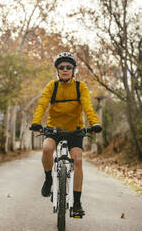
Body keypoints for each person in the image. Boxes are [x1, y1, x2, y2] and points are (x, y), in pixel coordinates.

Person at [31, 52, 102, 214]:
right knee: (47, 149)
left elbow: (87, 107)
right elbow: (42, 104)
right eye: (61, 67)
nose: (65, 70)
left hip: (74, 130)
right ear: (57, 70)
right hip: (54, 128)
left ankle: (77, 203)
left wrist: (94, 123)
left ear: (73, 70)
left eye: (68, 67)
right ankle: (48, 179)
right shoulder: (52, 86)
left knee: (77, 160)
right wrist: (36, 122)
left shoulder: (80, 87)